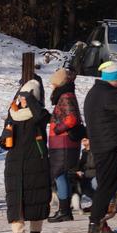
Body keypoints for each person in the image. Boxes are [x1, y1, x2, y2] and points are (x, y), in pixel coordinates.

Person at [0, 80, 51, 233]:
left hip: (36, 164)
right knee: (15, 205)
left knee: (36, 203)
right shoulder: (12, 114)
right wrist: (5, 136)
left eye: (26, 97)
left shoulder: (40, 114)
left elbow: (40, 116)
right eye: (21, 96)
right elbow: (3, 141)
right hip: (14, 164)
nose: (22, 100)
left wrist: (31, 100)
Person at [83, 61, 117, 233]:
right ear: (115, 78)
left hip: (101, 144)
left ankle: (97, 222)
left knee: (109, 184)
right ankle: (97, 224)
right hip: (108, 145)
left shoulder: (95, 92)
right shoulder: (110, 94)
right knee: (106, 186)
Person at [47, 68, 81, 223]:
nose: (51, 86)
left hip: (64, 143)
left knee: (59, 175)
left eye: (53, 83)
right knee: (61, 175)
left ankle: (64, 210)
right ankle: (64, 210)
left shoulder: (66, 96)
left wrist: (57, 128)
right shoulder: (64, 96)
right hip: (61, 143)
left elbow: (72, 118)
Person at [71, 137, 96, 213]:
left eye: (85, 140)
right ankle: (96, 203)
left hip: (96, 175)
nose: (83, 143)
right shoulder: (84, 151)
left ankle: (105, 203)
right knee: (80, 185)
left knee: (94, 184)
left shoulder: (95, 151)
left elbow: (95, 166)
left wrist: (84, 173)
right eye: (82, 141)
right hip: (87, 175)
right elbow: (82, 165)